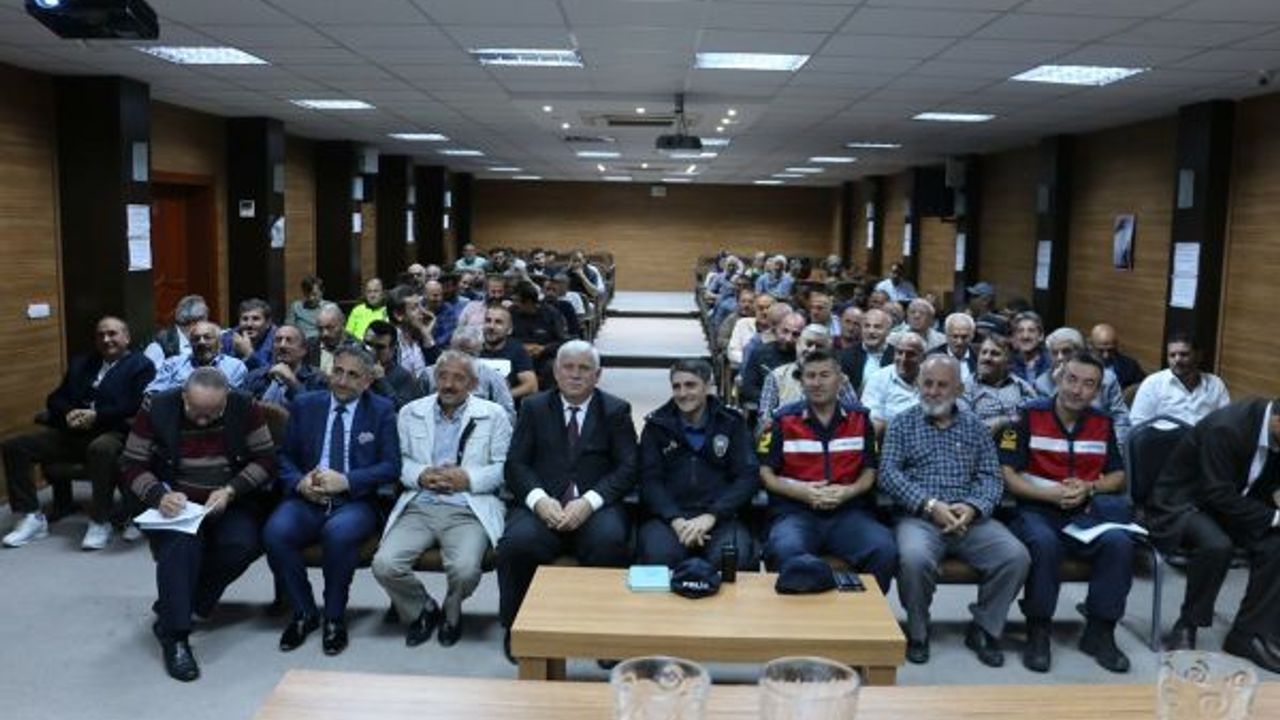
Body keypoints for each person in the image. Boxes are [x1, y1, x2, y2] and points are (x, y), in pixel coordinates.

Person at [118, 368, 276, 681]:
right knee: (181, 548)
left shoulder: (245, 406)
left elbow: (266, 460)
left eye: (212, 414)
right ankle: (175, 636)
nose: (203, 421)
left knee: (243, 544)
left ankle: (177, 604)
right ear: (183, 396)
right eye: (196, 412)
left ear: (226, 399)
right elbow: (131, 463)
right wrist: (158, 495)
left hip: (229, 500)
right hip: (175, 503)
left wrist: (231, 490)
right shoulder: (156, 406)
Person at [879, 355, 1030, 667]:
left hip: (968, 519)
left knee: (1015, 556)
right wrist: (930, 505)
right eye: (927, 383)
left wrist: (973, 508)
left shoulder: (975, 427)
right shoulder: (902, 423)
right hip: (919, 517)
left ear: (959, 390)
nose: (933, 391)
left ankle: (984, 628)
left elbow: (991, 476)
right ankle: (918, 631)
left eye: (942, 385)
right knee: (914, 559)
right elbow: (889, 474)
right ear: (918, 385)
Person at [496, 341, 637, 661]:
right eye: (568, 367)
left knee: (611, 542)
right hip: (544, 504)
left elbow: (628, 467)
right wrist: (539, 500)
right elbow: (516, 464)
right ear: (556, 372)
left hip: (594, 506)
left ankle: (606, 633)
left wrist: (589, 501)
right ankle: (517, 628)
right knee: (516, 544)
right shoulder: (533, 407)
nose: (575, 375)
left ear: (597, 375)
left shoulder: (616, 410)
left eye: (584, 368)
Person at [1001, 352, 1134, 673]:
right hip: (1034, 509)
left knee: (1119, 543)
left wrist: (1090, 487)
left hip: (1085, 512)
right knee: (1045, 544)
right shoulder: (1027, 416)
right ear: (1058, 378)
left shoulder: (1102, 423)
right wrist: (1047, 493)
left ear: (1097, 391)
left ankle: (1100, 631)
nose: (1077, 390)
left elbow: (1118, 475)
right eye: (1072, 379)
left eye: (1088, 384)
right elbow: (1007, 474)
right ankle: (1038, 629)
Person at [263, 347, 400, 656]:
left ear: (367, 381)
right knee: (275, 533)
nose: (342, 380)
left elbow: (391, 466)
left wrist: (347, 480)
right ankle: (304, 612)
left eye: (352, 375)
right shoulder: (306, 405)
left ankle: (335, 617)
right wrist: (300, 482)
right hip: (308, 496)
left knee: (338, 534)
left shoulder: (381, 410)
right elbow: (284, 458)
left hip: (356, 501)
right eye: (337, 371)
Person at [373, 351, 512, 647]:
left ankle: (452, 608)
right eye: (443, 376)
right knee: (384, 565)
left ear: (472, 384)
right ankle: (422, 608)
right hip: (420, 504)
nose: (449, 385)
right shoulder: (410, 412)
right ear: (435, 378)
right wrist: (421, 475)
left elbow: (504, 468)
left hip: (468, 508)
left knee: (465, 571)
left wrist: (467, 478)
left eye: (459, 378)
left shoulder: (494, 414)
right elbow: (400, 461)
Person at [1147, 398, 1280, 672]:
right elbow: (1216, 492)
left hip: (1231, 504)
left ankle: (1248, 633)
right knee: (1217, 545)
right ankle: (1187, 624)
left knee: (1276, 543)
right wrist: (1274, 516)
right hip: (1185, 502)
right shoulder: (1227, 428)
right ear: (1278, 421)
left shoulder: (1273, 430)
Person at [3, 317, 154, 550]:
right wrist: (69, 413)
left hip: (113, 432)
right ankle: (31, 516)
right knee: (15, 446)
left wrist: (96, 415)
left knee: (101, 448)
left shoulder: (141, 365)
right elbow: (55, 398)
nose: (106, 339)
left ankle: (100, 520)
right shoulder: (82, 363)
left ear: (126, 337)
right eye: (100, 335)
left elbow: (135, 405)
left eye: (112, 334)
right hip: (73, 432)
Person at [760, 350, 897, 591]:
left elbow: (869, 471)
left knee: (883, 549)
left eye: (825, 375)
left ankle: (862, 613)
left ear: (840, 380)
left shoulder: (860, 419)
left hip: (848, 513)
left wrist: (848, 492)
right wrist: (801, 492)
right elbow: (766, 474)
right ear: (801, 382)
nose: (817, 382)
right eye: (810, 376)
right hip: (797, 512)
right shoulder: (782, 420)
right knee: (784, 549)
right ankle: (803, 613)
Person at [637, 359, 759, 570]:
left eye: (690, 385)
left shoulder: (732, 423)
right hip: (670, 519)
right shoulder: (656, 425)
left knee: (731, 559)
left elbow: (747, 477)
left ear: (708, 386)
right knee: (659, 558)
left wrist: (712, 516)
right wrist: (675, 519)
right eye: (676, 387)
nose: (682, 393)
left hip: (721, 517)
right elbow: (649, 480)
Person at [1034, 327, 1131, 448]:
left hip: (1100, 443)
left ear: (1079, 352)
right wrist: (1060, 386)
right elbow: (1046, 424)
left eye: (1066, 351)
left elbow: (1121, 419)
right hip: (1059, 447)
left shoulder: (1106, 378)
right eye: (1054, 353)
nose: (1060, 358)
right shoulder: (1042, 383)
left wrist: (1115, 447)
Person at [756, 324, 856, 438]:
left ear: (829, 351)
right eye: (808, 344)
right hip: (787, 439)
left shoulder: (839, 379)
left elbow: (855, 416)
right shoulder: (777, 376)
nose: (812, 350)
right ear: (798, 344)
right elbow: (764, 418)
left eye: (819, 346)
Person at [1129, 334, 1230, 427]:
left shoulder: (1215, 384)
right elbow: (1138, 424)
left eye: (1184, 354)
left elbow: (1226, 422)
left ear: (1198, 356)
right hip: (1164, 439)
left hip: (1203, 439)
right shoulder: (1153, 383)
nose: (1177, 360)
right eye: (1172, 355)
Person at [423, 325, 515, 425]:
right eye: (458, 352)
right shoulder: (429, 374)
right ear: (450, 348)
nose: (463, 359)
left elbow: (508, 416)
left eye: (470, 354)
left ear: (479, 351)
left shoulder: (493, 377)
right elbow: (417, 408)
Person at [959, 334, 1040, 437]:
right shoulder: (965, 387)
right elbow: (964, 424)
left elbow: (1034, 418)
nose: (987, 358)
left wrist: (1003, 421)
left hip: (1016, 443)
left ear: (1008, 361)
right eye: (984, 352)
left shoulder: (1022, 387)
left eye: (995, 354)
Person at [147, 321, 248, 394]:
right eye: (196, 339)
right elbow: (153, 392)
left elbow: (233, 400)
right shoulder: (173, 364)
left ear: (220, 343)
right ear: (190, 344)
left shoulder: (236, 367)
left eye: (207, 337)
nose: (201, 342)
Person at [244, 324, 326, 406]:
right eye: (278, 340)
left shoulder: (317, 378)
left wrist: (292, 382)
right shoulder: (255, 376)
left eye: (289, 341)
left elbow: (315, 410)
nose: (282, 345)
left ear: (303, 350)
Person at [861, 333, 926, 436]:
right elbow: (872, 422)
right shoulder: (879, 378)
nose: (903, 359)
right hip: (889, 438)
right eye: (900, 353)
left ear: (922, 357)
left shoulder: (931, 379)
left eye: (910, 354)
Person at [741, 311, 803, 406]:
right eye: (785, 331)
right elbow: (749, 388)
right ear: (776, 330)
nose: (788, 338)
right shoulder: (760, 352)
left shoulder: (805, 357)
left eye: (795, 334)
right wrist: (771, 401)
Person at [480, 305, 538, 401]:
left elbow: (531, 386)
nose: (491, 326)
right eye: (488, 321)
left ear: (509, 330)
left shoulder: (517, 351)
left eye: (498, 322)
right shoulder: (472, 349)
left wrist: (503, 396)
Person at [363, 320, 425, 409]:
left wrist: (382, 381)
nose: (372, 351)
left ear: (393, 349)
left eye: (380, 347)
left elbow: (402, 409)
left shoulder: (403, 376)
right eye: (368, 345)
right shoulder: (351, 367)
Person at [838, 307, 895, 392]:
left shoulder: (897, 356)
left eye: (877, 327)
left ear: (888, 331)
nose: (871, 331)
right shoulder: (846, 356)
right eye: (867, 326)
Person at [387, 284, 438, 379]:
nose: (422, 312)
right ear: (398, 315)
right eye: (415, 308)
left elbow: (436, 368)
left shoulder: (417, 338)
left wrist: (426, 333)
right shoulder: (389, 343)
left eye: (421, 306)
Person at [144, 294, 208, 368]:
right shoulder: (159, 346)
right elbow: (147, 373)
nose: (207, 325)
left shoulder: (205, 341)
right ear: (194, 322)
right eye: (204, 320)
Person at [220, 298, 277, 371]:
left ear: (268, 323)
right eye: (245, 319)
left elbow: (270, 373)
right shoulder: (228, 338)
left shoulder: (279, 340)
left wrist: (249, 354)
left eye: (255, 319)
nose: (249, 324)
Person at [1088, 324, 1146, 391]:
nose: (1106, 356)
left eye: (1110, 350)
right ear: (1091, 345)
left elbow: (1143, 387)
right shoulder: (1080, 364)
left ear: (1116, 345)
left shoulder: (1130, 365)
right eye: (1100, 350)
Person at [927, 313, 978, 384]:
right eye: (955, 337)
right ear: (946, 335)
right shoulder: (931, 358)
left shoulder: (979, 357)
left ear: (972, 336)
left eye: (964, 337)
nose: (959, 342)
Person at [726, 294, 775, 366]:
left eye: (768, 308)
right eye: (761, 308)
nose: (765, 312)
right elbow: (732, 352)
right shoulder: (742, 323)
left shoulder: (779, 329)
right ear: (755, 310)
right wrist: (753, 361)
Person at [286, 276, 339, 341]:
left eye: (314, 294)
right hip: (302, 341)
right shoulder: (296, 307)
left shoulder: (330, 307)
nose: (311, 298)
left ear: (321, 292)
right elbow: (288, 329)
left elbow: (338, 329)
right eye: (307, 294)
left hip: (323, 340)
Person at [308, 304, 356, 376]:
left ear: (342, 323)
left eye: (330, 328)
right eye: (320, 329)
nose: (325, 334)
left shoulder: (356, 348)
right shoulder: (309, 346)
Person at [1010, 311, 1050, 383]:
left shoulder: (1052, 364)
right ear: (1014, 337)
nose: (1025, 336)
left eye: (1031, 330)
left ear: (1041, 336)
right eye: (1020, 331)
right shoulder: (1007, 366)